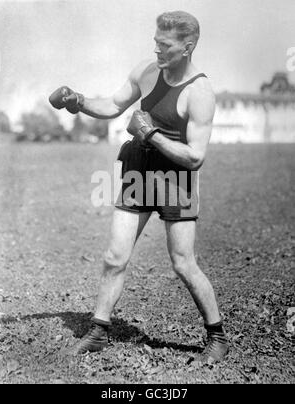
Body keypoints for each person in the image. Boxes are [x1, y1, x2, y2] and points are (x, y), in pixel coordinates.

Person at [49, 11, 229, 362]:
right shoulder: (147, 71)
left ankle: (217, 336)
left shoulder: (200, 92)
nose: (157, 50)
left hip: (176, 176)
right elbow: (115, 105)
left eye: (165, 45)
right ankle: (99, 330)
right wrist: (80, 102)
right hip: (139, 169)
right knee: (114, 256)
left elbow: (194, 158)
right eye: (155, 42)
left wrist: (151, 133)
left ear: (187, 47)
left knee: (182, 262)